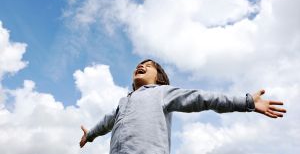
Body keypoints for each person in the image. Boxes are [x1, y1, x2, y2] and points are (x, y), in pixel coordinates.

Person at [79, 59, 286, 154]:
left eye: (148, 66)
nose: (140, 66)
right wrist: (90, 136)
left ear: (159, 79)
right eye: (139, 65)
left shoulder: (162, 92)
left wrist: (246, 102)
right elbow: (106, 123)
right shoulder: (123, 103)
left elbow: (202, 98)